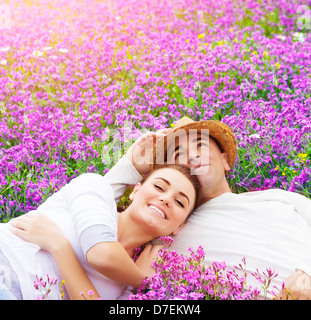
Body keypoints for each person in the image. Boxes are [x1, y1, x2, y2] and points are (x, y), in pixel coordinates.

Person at [102, 116, 311, 300]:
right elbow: (91, 220)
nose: (191, 156)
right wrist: (128, 165)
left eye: (200, 145)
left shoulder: (278, 198)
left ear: (225, 161)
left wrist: (307, 272)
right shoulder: (166, 232)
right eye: (178, 154)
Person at [1, 163, 200, 300]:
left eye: (180, 202)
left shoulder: (129, 283)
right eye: (159, 186)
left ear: (178, 227)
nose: (166, 199)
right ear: (136, 191)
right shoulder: (96, 188)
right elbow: (101, 255)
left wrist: (58, 246)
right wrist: (145, 279)